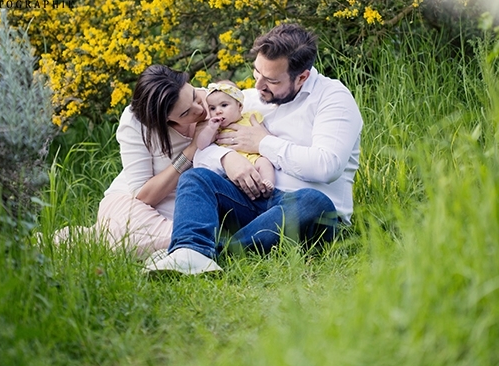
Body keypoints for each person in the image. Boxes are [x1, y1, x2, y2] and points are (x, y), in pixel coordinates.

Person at [145, 23, 363, 275]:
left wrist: (263, 142)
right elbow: (206, 144)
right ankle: (189, 250)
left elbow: (326, 166)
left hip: (304, 211)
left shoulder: (333, 98)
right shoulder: (248, 99)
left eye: (271, 80)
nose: (259, 85)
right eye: (257, 72)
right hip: (253, 202)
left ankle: (219, 253)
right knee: (196, 178)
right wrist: (227, 159)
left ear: (302, 77)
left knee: (314, 201)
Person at [53, 64, 210, 259]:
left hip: (184, 205)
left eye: (194, 96)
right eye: (185, 113)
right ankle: (192, 240)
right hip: (134, 204)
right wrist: (192, 149)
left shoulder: (215, 101)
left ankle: (94, 237)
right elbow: (143, 195)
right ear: (163, 119)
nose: (199, 109)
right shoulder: (137, 122)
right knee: (135, 231)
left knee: (128, 237)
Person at [194, 81, 276, 194]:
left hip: (254, 158)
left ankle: (267, 183)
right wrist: (210, 129)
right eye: (212, 108)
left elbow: (266, 137)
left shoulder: (251, 117)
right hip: (232, 169)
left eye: (224, 105)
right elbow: (201, 145)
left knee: (264, 163)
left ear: (240, 106)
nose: (218, 111)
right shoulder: (216, 128)